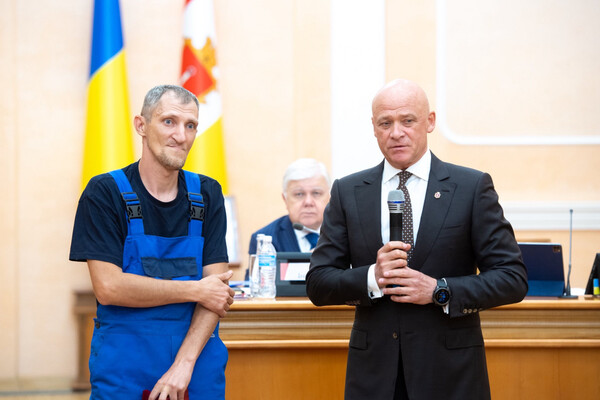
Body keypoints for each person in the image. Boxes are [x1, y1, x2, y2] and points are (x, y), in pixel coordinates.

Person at [306, 79, 528, 400]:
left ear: (430, 122)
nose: (396, 132)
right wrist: (373, 277)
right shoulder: (348, 191)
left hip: (451, 377)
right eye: (385, 123)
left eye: (407, 120)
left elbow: (512, 278)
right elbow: (318, 283)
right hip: (374, 379)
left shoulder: (470, 187)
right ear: (374, 128)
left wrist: (439, 290)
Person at [69, 85, 235, 400]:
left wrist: (183, 365)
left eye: (190, 125)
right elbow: (109, 287)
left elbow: (215, 294)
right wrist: (195, 289)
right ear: (141, 125)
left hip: (196, 365)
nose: (181, 135)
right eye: (169, 121)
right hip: (125, 368)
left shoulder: (208, 194)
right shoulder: (104, 193)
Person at [248, 158, 331, 255]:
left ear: (329, 198)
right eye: (299, 194)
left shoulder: (343, 234)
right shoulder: (264, 240)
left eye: (316, 193)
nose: (308, 202)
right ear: (285, 199)